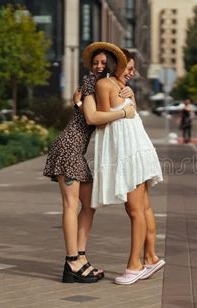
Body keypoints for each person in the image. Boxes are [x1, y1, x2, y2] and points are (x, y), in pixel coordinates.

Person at [43, 44, 136, 284]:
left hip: (76, 150)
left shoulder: (104, 86)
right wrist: (123, 112)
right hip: (68, 149)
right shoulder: (90, 83)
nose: (98, 66)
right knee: (70, 205)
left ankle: (80, 258)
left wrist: (130, 95)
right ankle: (72, 261)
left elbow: (99, 110)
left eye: (103, 63)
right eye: (95, 62)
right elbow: (92, 117)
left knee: (89, 204)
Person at [90, 44, 164, 285]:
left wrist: (83, 105)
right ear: (119, 63)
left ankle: (135, 265)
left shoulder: (105, 85)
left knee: (135, 210)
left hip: (130, 153)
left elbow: (99, 120)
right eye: (129, 67)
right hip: (139, 150)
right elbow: (128, 114)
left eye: (133, 68)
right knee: (142, 208)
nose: (132, 72)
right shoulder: (121, 87)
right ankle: (151, 257)